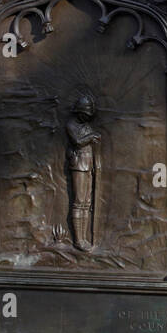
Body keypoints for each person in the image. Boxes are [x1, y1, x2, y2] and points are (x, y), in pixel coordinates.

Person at [66, 94, 101, 252]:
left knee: (86, 203)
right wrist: (91, 136)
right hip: (78, 166)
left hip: (88, 165)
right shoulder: (71, 125)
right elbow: (78, 141)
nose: (87, 118)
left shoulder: (87, 126)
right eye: (85, 115)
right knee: (79, 202)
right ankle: (78, 240)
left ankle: (84, 238)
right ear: (79, 112)